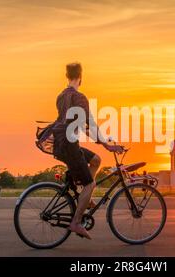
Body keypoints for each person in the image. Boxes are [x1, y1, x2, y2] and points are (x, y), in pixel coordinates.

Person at [50, 62, 123, 239]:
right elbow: (88, 123)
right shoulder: (79, 97)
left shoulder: (60, 96)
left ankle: (85, 195)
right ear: (81, 78)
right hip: (69, 145)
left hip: (60, 143)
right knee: (91, 184)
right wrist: (106, 144)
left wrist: (100, 141)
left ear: (67, 77)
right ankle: (75, 222)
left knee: (96, 160)